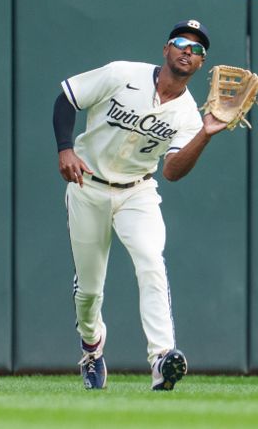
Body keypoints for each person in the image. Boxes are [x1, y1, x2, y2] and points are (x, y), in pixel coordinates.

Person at [52, 20, 228, 391]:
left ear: (200, 64)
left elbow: (173, 171)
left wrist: (205, 135)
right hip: (88, 185)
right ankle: (92, 349)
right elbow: (69, 97)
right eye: (182, 43)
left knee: (151, 260)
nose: (188, 51)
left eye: (197, 50)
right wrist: (65, 148)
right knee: (89, 290)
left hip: (137, 191)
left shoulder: (188, 115)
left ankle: (162, 359)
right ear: (166, 49)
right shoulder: (121, 74)